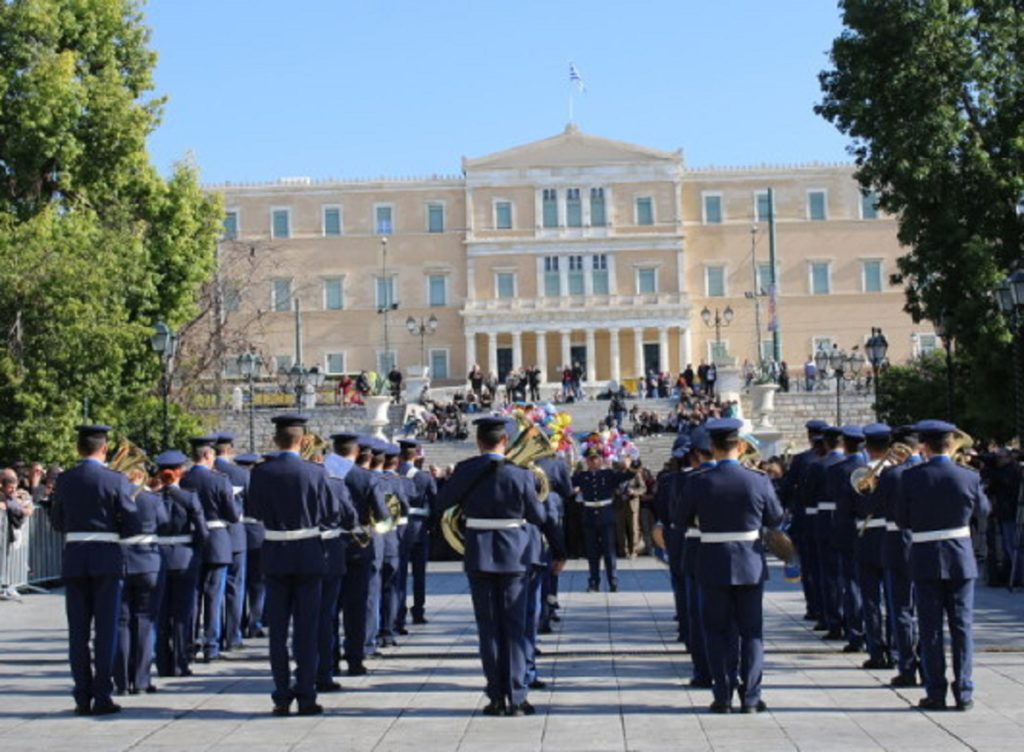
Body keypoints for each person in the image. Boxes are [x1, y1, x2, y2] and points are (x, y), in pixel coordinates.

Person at [436, 416, 566, 716]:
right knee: (516, 627)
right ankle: (518, 695)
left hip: (479, 552)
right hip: (516, 555)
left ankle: (495, 695)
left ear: (478, 442)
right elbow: (537, 515)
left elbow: (443, 502)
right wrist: (559, 550)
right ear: (505, 441)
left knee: (489, 627)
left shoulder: (466, 470)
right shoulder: (521, 474)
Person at [675, 418, 784, 713]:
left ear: (712, 447)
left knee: (716, 630)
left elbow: (680, 519)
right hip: (749, 561)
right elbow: (775, 520)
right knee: (752, 632)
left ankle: (722, 695)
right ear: (739, 445)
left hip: (712, 560)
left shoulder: (698, 481)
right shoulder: (758, 480)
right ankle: (750, 696)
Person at [897, 420, 990, 711]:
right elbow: (984, 511)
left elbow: (902, 520)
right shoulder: (968, 476)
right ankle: (964, 691)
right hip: (960, 557)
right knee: (962, 627)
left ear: (923, 445)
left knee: (930, 628)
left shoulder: (911, 478)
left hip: (925, 556)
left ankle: (935, 691)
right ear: (951, 444)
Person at [248, 414, 333, 716]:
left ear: (276, 440)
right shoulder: (315, 472)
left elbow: (253, 510)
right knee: (307, 630)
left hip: (275, 554)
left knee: (278, 632)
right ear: (303, 440)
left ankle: (282, 696)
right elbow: (329, 512)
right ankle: (307, 695)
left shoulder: (262, 472)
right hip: (309, 553)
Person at [50, 424, 136, 716]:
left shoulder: (65, 480)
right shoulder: (115, 480)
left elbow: (57, 520)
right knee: (106, 630)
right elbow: (132, 521)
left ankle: (81, 695)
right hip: (107, 558)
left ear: (78, 449)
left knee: (78, 632)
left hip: (75, 557)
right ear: (105, 448)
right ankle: (102, 694)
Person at [180, 435, 239, 664]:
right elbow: (232, 515)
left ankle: (190, 642)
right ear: (206, 455)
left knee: (192, 596)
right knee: (214, 597)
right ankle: (211, 645)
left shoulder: (184, 479)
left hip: (191, 540)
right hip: (217, 540)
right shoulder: (219, 480)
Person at [154, 450, 209, 680]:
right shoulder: (189, 498)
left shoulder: (152, 498)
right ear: (180, 473)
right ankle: (181, 662)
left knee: (161, 614)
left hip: (159, 557)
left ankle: (163, 663)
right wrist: (194, 549)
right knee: (183, 614)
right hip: (185, 557)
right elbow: (203, 532)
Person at [113, 466, 168, 696]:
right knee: (145, 621)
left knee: (122, 622)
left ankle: (122, 681)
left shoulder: (118, 498)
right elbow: (164, 522)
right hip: (148, 562)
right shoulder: (152, 499)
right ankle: (142, 680)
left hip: (123, 560)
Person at [340, 434, 389, 676]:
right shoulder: (366, 478)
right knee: (356, 605)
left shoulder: (322, 473)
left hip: (329, 545)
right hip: (359, 546)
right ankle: (354, 658)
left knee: (328, 607)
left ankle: (328, 660)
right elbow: (381, 515)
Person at [881, 426, 924, 687]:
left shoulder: (892, 474)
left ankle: (907, 666)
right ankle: (928, 668)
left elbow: (875, 503)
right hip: (926, 545)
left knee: (902, 608)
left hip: (898, 542)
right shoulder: (928, 471)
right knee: (926, 612)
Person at [854, 423, 895, 670]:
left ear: (867, 447)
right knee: (895, 597)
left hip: (868, 536)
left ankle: (877, 651)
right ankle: (897, 647)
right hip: (892, 536)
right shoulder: (901, 472)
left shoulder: (858, 473)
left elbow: (851, 506)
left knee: (870, 598)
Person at [572, 447, 634, 592]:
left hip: (606, 515)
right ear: (587, 461)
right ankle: (593, 582)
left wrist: (633, 465)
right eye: (590, 459)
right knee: (592, 552)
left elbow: (625, 476)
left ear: (601, 460)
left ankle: (613, 581)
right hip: (589, 515)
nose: (593, 461)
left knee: (609, 551)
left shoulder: (608, 474)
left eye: (596, 458)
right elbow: (567, 482)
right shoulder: (582, 475)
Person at [829, 425, 868, 654]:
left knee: (852, 584)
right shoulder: (871, 468)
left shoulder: (837, 470)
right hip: (873, 532)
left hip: (846, 530)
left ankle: (856, 634)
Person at [213, 433, 250, 652]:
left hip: (210, 538)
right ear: (230, 450)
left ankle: (213, 636)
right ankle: (233, 635)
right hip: (235, 535)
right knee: (235, 589)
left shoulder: (195, 475)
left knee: (213, 591)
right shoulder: (240, 474)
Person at [396, 439, 436, 630]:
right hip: (420, 528)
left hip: (400, 528)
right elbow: (435, 502)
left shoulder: (394, 475)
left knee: (400, 574)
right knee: (419, 574)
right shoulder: (424, 477)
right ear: (416, 455)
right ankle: (418, 611)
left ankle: (399, 613)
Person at [234, 452, 266, 639]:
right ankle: (255, 622)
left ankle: (239, 622)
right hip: (256, 532)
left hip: (238, 531)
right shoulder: (256, 482)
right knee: (257, 584)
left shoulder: (233, 478)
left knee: (240, 584)